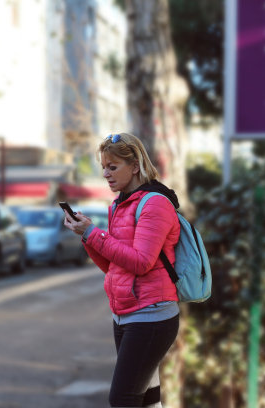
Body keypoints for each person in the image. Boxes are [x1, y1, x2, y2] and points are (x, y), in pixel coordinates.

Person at [63, 132, 181, 408]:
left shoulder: (155, 203)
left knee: (123, 399)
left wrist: (93, 233)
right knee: (147, 399)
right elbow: (114, 267)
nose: (105, 173)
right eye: (103, 167)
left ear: (135, 165)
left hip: (152, 315)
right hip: (125, 315)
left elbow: (141, 262)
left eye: (112, 167)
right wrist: (86, 235)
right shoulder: (119, 205)